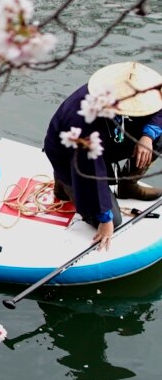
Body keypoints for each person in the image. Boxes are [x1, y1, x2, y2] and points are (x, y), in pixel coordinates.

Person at [43, 61, 162, 251]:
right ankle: (64, 184)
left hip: (109, 136)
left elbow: (159, 108)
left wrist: (147, 136)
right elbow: (90, 173)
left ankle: (127, 186)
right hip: (73, 156)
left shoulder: (143, 90)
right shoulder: (82, 122)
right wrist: (105, 220)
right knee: (113, 220)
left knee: (158, 136)